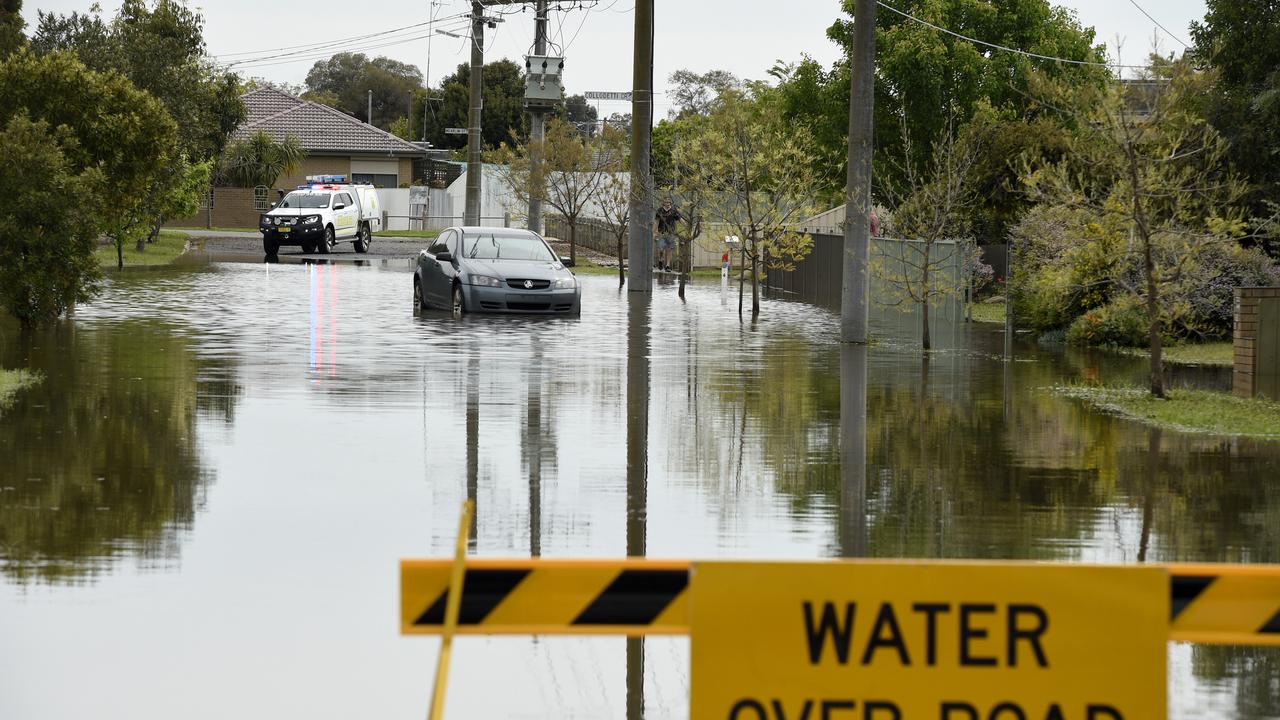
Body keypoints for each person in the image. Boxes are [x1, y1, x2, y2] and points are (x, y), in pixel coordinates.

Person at [655, 197, 682, 272]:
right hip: (662, 232)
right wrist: (654, 232)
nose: (667, 203)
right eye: (666, 202)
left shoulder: (673, 211)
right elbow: (656, 221)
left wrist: (686, 225)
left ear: (670, 203)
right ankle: (660, 260)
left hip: (671, 233)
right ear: (663, 203)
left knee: (670, 249)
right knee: (661, 249)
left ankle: (667, 265)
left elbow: (680, 219)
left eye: (669, 202)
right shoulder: (659, 210)